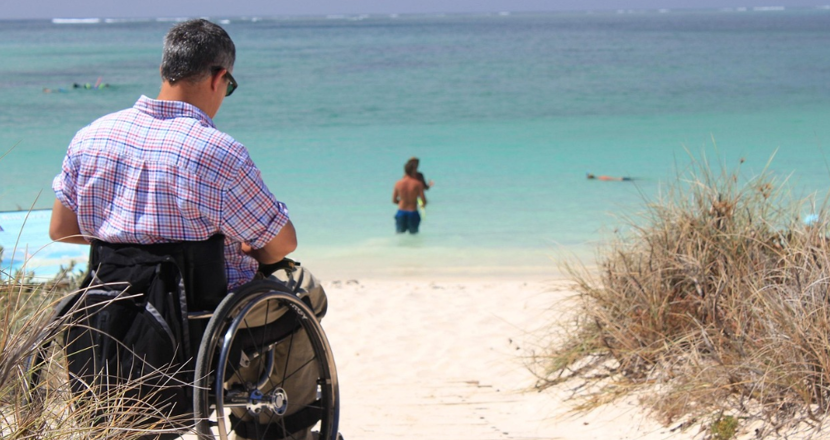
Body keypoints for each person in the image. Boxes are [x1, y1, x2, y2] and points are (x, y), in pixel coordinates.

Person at [49, 19, 323, 440]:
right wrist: (246, 246)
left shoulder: (91, 138)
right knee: (308, 291)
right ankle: (275, 427)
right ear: (218, 78)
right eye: (228, 88)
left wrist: (133, 238)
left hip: (111, 308)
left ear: (166, 71)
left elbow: (62, 229)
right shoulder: (218, 152)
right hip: (200, 318)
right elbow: (281, 244)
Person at [393, 159, 426, 234]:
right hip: (413, 212)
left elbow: (394, 200)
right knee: (414, 235)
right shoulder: (418, 184)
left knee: (399, 235)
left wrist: (403, 202)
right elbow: (423, 201)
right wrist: (420, 205)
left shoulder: (398, 183)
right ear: (413, 171)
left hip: (401, 212)